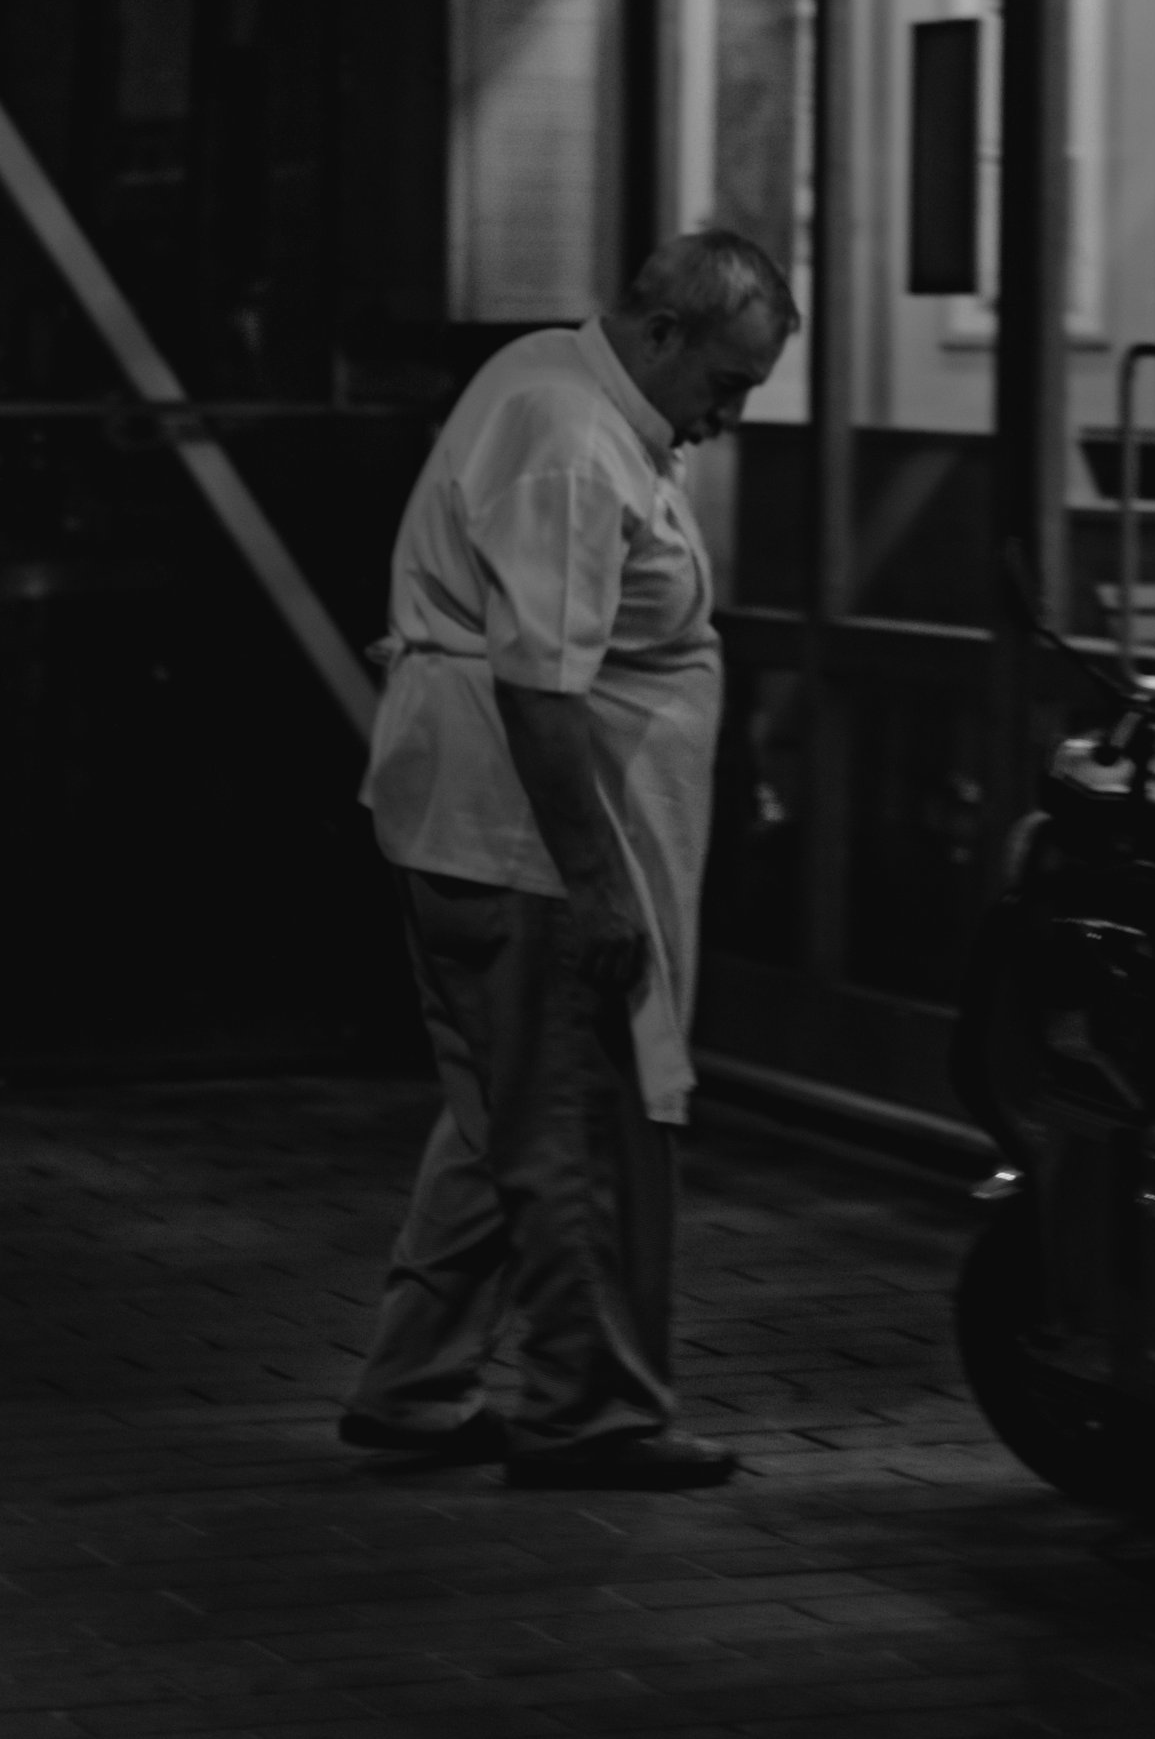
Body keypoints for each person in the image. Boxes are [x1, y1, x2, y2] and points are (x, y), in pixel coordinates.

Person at [340, 229, 796, 1488]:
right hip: (522, 839)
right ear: (661, 334)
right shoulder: (569, 439)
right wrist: (597, 884)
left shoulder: (578, 388)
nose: (731, 410)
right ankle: (589, 1410)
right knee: (576, 1130)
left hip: (485, 825)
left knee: (504, 1118)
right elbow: (544, 693)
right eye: (727, 379)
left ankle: (415, 1383)